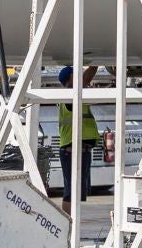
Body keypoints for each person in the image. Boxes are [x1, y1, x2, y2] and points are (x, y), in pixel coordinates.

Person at [55, 65, 100, 214]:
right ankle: (69, 225)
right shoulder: (70, 94)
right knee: (71, 192)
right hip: (71, 151)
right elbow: (86, 78)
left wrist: (95, 64)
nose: (81, 76)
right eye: (76, 74)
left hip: (80, 151)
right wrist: (94, 63)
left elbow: (86, 78)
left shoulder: (76, 93)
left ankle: (72, 224)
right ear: (70, 78)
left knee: (77, 191)